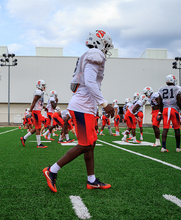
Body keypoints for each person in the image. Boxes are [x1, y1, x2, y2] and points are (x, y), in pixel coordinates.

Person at [43, 29, 114, 193]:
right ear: (100, 42)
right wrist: (104, 103)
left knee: (91, 144)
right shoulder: (95, 54)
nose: (106, 50)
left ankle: (92, 180)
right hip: (82, 106)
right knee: (84, 145)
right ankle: (51, 170)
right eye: (106, 46)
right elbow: (89, 82)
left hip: (86, 106)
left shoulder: (87, 55)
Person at [20, 80, 48, 148]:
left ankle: (24, 138)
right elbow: (34, 102)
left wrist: (43, 107)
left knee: (37, 128)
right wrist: (30, 111)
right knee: (39, 127)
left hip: (37, 111)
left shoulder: (40, 92)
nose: (44, 86)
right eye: (43, 85)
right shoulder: (38, 92)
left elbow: (38, 102)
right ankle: (39, 144)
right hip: (36, 112)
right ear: (40, 85)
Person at [158, 74, 181, 153]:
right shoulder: (177, 88)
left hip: (165, 110)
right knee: (177, 129)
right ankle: (178, 147)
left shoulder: (161, 89)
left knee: (165, 128)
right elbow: (179, 100)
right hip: (174, 110)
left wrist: (160, 111)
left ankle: (163, 147)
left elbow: (159, 102)